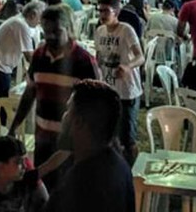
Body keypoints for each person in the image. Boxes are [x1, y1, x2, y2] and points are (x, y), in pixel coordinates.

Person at [9, 6, 99, 189]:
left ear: (69, 29)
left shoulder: (84, 61)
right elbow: (30, 93)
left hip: (72, 145)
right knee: (45, 189)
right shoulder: (39, 56)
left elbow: (96, 106)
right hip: (43, 138)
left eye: (56, 31)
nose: (50, 36)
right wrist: (13, 126)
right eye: (46, 31)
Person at [44, 80, 135, 212]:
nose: (63, 117)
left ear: (79, 122)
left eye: (68, 110)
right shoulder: (119, 166)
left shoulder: (79, 186)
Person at [94, 0, 144, 164]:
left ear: (116, 12)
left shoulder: (126, 30)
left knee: (127, 137)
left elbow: (140, 57)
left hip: (127, 91)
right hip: (108, 89)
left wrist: (128, 67)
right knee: (109, 134)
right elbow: (99, 57)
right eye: (99, 10)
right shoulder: (99, 31)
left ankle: (131, 170)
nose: (102, 15)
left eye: (105, 11)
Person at [0, 1, 44, 96]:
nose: (40, 22)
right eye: (40, 18)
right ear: (33, 15)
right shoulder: (21, 25)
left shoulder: (18, 20)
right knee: (1, 105)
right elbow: (29, 56)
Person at [0, 136, 48, 212]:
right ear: (1, 166)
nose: (25, 166)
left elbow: (50, 166)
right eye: (18, 162)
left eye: (24, 161)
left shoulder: (26, 183)